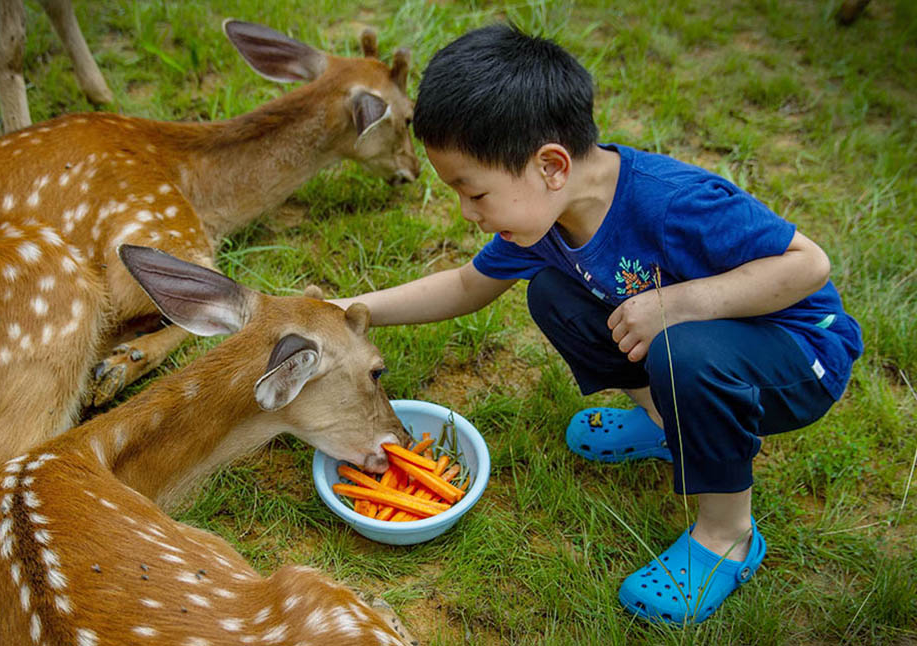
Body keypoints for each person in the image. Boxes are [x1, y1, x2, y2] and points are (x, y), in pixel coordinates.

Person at [331, 23, 862, 623]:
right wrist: (354, 310)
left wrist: (680, 303)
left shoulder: (674, 203)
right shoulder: (544, 220)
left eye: (474, 193)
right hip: (698, 344)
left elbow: (807, 265)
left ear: (551, 165)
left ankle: (727, 535)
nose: (467, 213)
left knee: (680, 351)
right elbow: (465, 286)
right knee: (554, 293)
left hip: (797, 354)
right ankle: (671, 426)